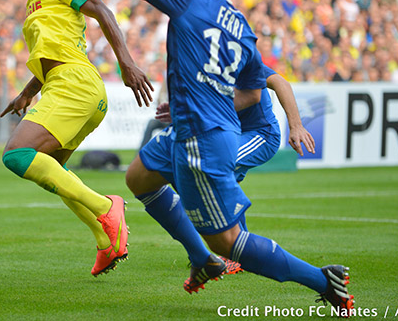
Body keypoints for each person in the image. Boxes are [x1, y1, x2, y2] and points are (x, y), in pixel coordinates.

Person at [110, 0, 353, 315]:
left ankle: (325, 281)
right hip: (197, 129)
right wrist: (192, 100)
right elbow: (254, 90)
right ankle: (200, 257)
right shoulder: (242, 28)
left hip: (203, 140)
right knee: (139, 176)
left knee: (227, 241)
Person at [0, 0, 153, 277]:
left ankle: (106, 207)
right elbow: (55, 51)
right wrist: (27, 92)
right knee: (51, 166)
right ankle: (106, 239)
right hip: (66, 87)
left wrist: (126, 63)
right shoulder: (34, 2)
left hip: (75, 86)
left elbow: (101, 9)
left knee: (16, 154)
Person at [130, 65, 315, 276]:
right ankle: (231, 249)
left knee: (209, 170)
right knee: (187, 172)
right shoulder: (201, 62)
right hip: (227, 133)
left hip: (260, 134)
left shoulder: (237, 58)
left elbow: (280, 82)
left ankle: (234, 252)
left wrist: (296, 125)